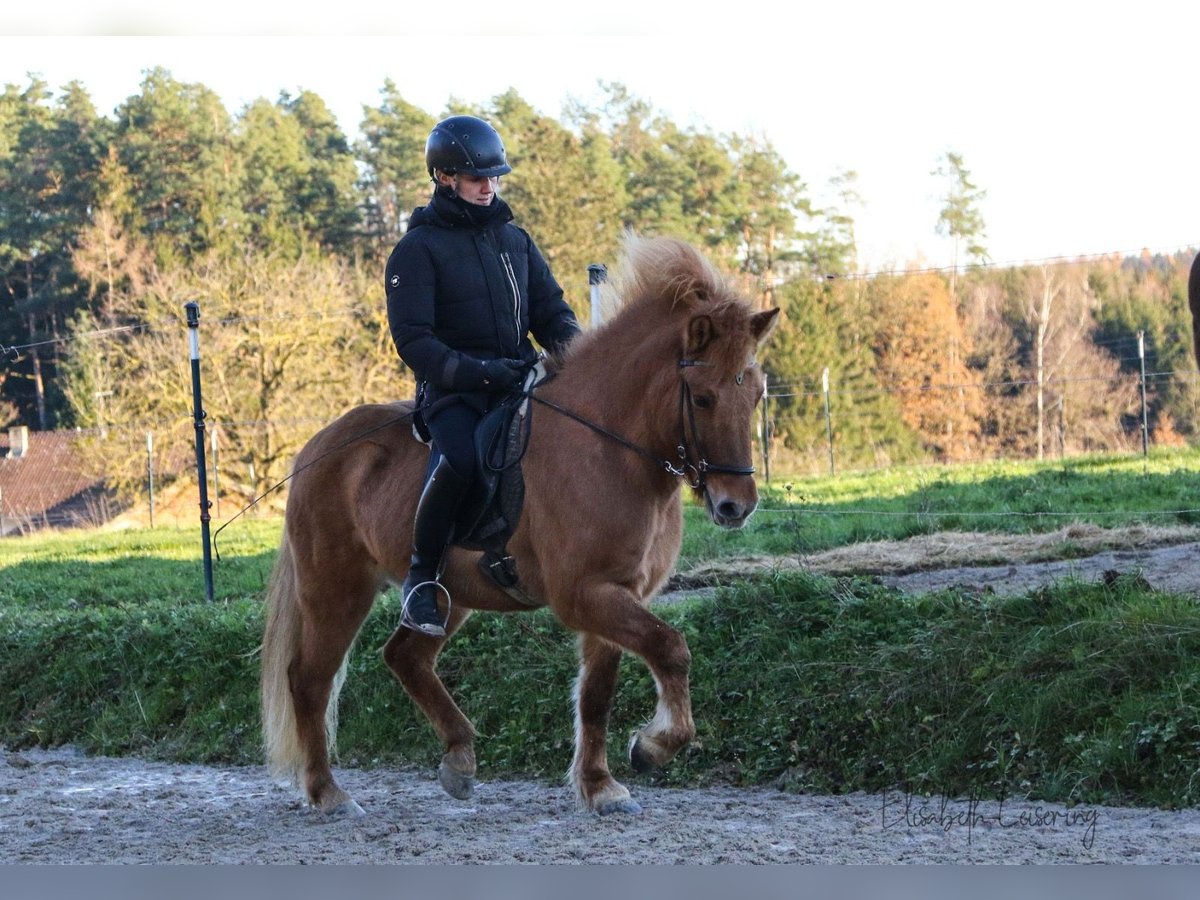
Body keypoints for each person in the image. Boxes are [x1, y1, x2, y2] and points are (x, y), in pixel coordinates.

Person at [385, 115, 581, 637]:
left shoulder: (515, 241)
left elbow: (552, 311)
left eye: (495, 178)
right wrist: (480, 373)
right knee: (462, 459)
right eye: (478, 179)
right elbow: (415, 341)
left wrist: (577, 355)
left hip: (521, 378)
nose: (489, 187)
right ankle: (422, 578)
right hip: (455, 393)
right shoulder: (417, 250)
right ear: (445, 178)